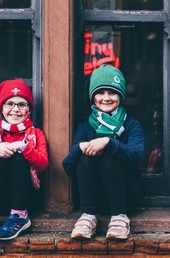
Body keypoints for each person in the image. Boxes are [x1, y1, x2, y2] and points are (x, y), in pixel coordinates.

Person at [62, 64, 145, 240]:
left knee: (109, 157)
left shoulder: (131, 124)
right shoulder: (85, 126)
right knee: (85, 158)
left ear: (120, 96)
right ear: (93, 97)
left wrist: (108, 142)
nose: (106, 98)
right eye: (100, 93)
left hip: (126, 197)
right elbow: (68, 167)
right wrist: (80, 148)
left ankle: (120, 218)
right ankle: (87, 218)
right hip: (94, 200)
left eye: (112, 93)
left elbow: (136, 156)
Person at [0, 79, 49, 240]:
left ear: (29, 110)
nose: (15, 109)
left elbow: (42, 165)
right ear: (1, 108)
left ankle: (20, 217)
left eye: (22, 104)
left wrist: (24, 147)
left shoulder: (36, 134)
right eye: (10, 104)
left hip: (24, 199)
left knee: (19, 159)